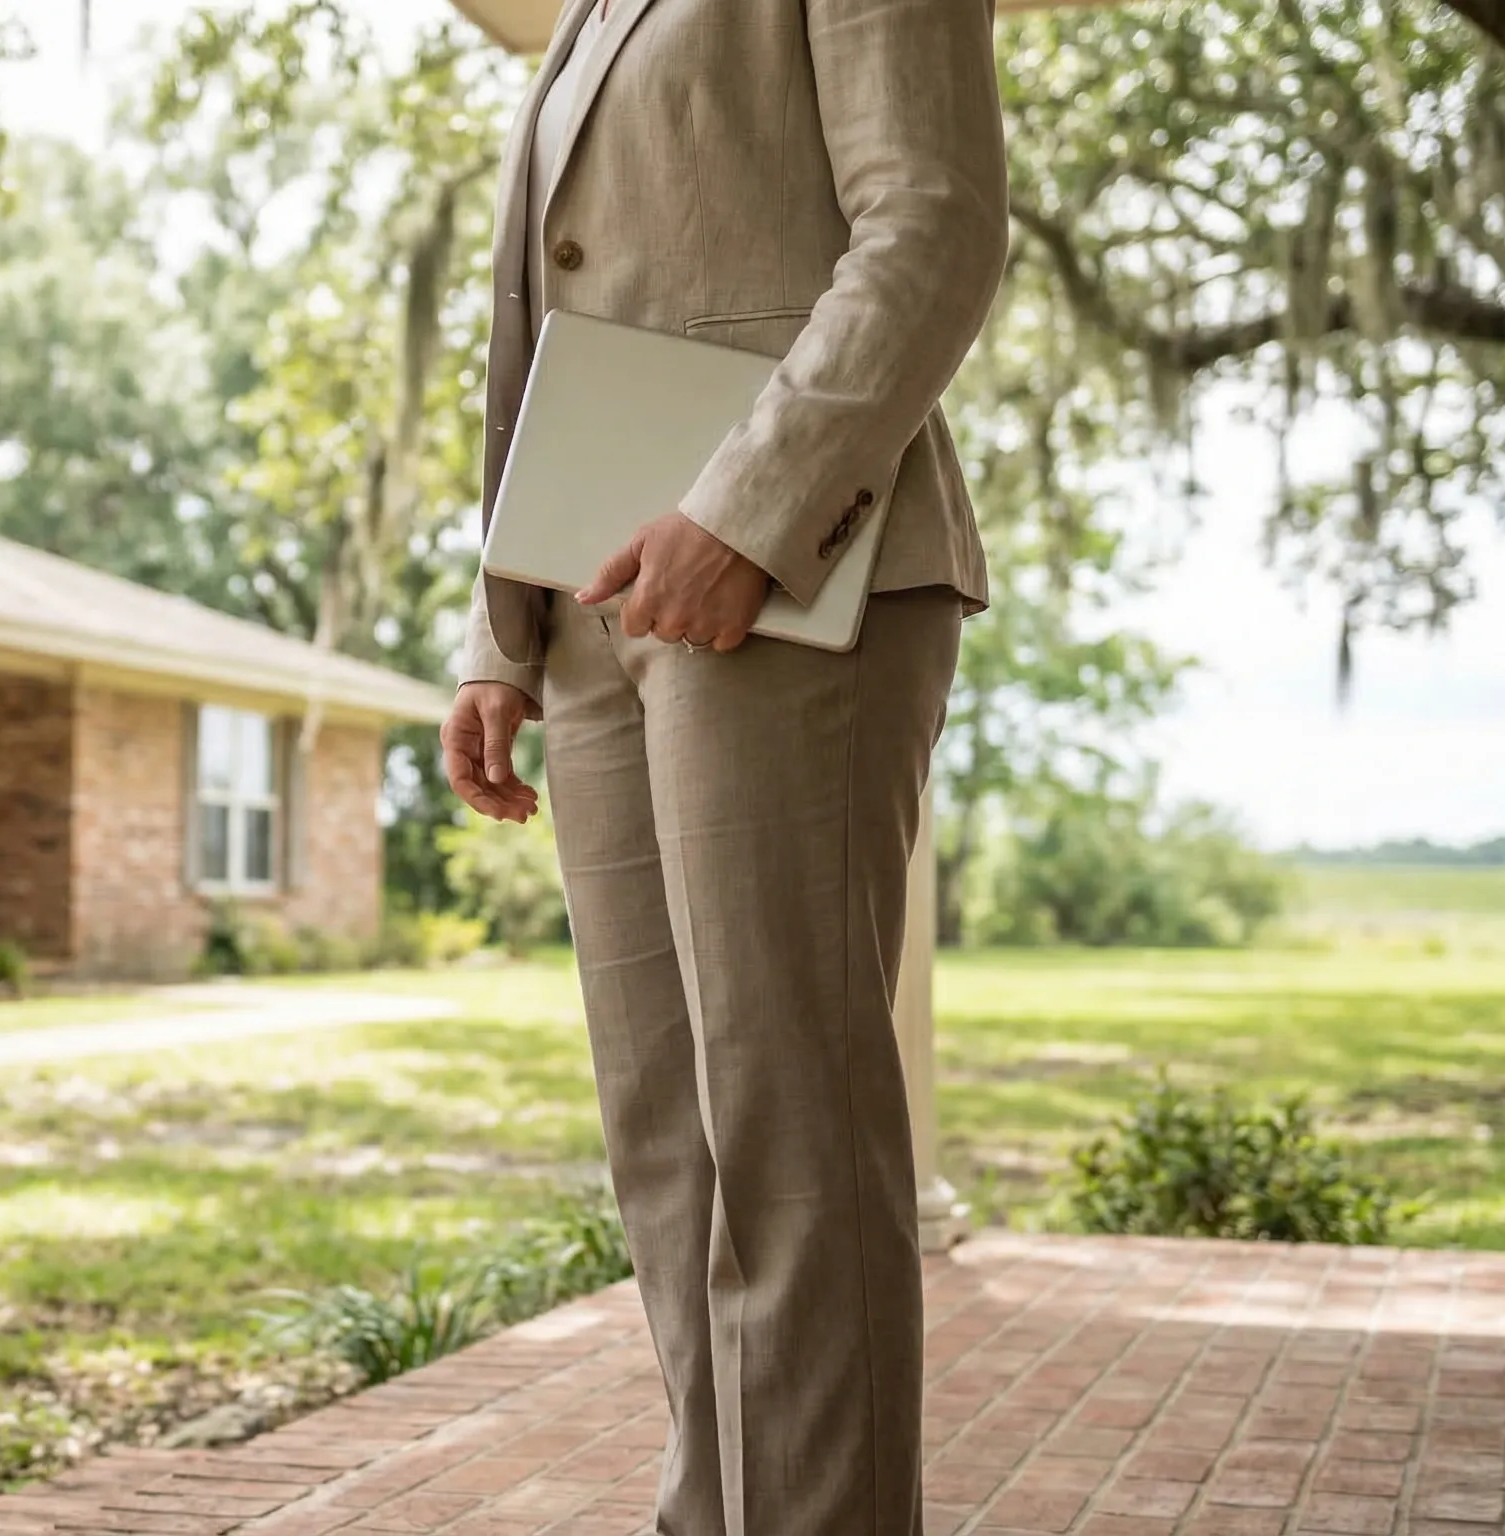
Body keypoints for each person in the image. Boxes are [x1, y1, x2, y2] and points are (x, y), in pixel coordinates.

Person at [437, 0, 1008, 1531]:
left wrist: (749, 511)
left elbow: (936, 224)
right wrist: (504, 628)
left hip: (793, 586)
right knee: (670, 1144)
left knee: (787, 1132)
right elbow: (540, 317)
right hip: (592, 607)